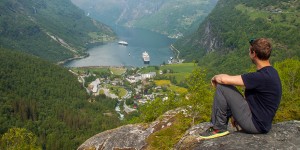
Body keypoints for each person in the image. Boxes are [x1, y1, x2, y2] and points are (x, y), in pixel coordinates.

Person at [198, 38, 282, 140]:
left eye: (249, 50)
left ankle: (218, 128)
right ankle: (222, 124)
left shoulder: (259, 77)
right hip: (261, 123)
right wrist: (236, 113)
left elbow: (224, 80)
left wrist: (214, 78)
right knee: (227, 87)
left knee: (222, 87)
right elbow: (258, 101)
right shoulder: (272, 72)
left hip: (255, 125)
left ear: (253, 53)